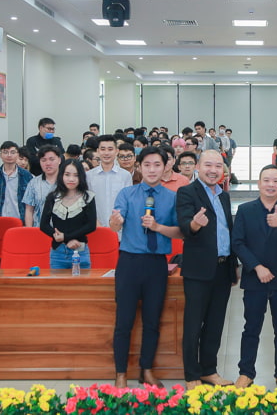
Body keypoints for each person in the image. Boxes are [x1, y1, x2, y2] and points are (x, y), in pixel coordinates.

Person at [109, 146, 182, 388]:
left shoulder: (172, 197)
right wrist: (115, 222)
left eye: (157, 165)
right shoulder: (127, 193)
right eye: (147, 165)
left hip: (156, 264)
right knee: (124, 321)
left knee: (152, 321)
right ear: (139, 167)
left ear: (165, 167)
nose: (152, 170)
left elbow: (180, 232)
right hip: (129, 262)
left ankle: (146, 370)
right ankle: (120, 374)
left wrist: (158, 227)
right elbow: (115, 224)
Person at [228, 164, 277, 389]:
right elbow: (237, 243)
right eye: (266, 180)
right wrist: (257, 266)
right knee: (251, 328)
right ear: (259, 183)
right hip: (254, 278)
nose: (271, 185)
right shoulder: (245, 210)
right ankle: (246, 373)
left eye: (276, 181)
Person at [176, 150, 237, 389]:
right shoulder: (186, 192)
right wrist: (195, 224)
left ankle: (209, 370)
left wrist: (233, 266)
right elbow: (184, 226)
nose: (213, 170)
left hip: (222, 268)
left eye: (218, 166)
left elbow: (227, 232)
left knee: (215, 323)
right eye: (208, 165)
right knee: (194, 324)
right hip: (198, 270)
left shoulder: (224, 196)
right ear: (198, 167)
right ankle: (191, 374)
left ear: (224, 169)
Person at [39, 159, 96, 269]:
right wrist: (62, 239)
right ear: (61, 175)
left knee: (83, 280)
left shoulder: (88, 197)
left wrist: (66, 237)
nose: (71, 179)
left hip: (80, 251)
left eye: (76, 175)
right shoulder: (52, 197)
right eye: (67, 175)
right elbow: (43, 225)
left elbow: (91, 226)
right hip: (58, 252)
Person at [86, 135, 132, 228]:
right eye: (103, 149)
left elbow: (128, 203)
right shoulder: (89, 176)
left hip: (119, 228)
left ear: (116, 151)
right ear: (98, 151)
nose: (106, 153)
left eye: (110, 149)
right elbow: (87, 203)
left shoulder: (125, 175)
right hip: (96, 227)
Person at [0, 141, 33, 220]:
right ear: (0, 155)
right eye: (5, 152)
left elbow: (30, 202)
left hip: (20, 220)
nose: (9, 155)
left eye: (12, 152)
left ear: (17, 155)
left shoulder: (26, 175)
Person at [22, 145, 61, 227]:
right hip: (39, 230)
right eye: (43, 160)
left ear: (59, 160)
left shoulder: (67, 182)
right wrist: (30, 230)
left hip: (62, 231)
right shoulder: (33, 183)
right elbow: (29, 210)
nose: (48, 163)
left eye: (52, 159)